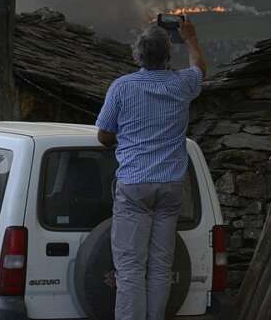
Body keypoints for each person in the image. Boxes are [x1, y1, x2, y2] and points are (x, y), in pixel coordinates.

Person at [95, 17, 208, 320]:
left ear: (137, 56)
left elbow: (104, 135)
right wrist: (191, 38)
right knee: (160, 265)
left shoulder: (122, 88)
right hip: (171, 186)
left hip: (134, 185)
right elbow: (200, 70)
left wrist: (130, 135)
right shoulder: (182, 84)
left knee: (131, 267)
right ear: (168, 56)